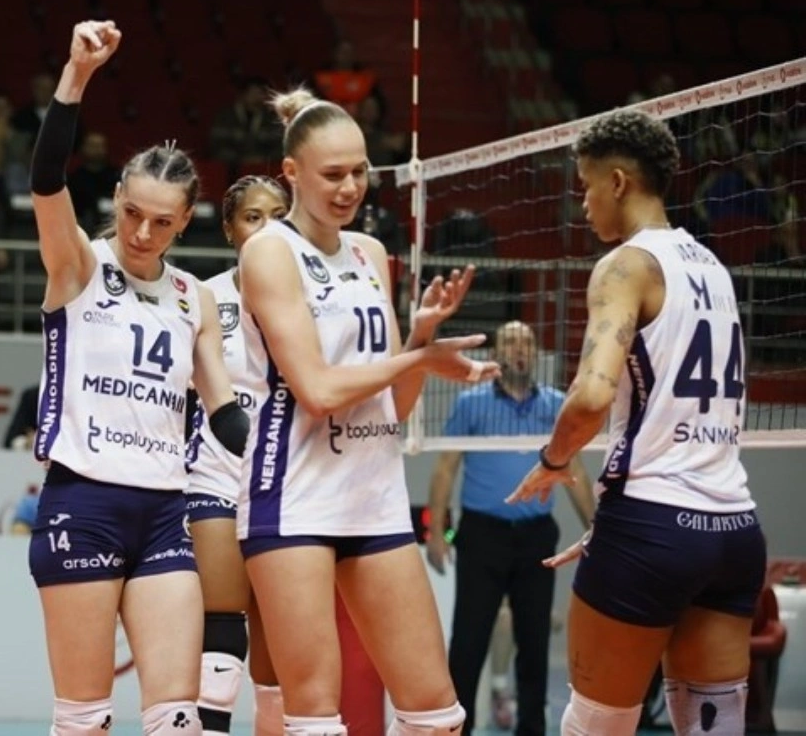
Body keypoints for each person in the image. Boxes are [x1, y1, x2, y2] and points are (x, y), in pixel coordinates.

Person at [237, 86, 501, 736]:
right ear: (291, 172)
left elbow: (392, 406)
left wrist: (420, 339)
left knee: (436, 713)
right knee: (314, 715)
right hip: (294, 495)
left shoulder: (370, 253)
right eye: (333, 174)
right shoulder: (269, 250)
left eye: (359, 171)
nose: (351, 187)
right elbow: (318, 390)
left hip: (373, 492)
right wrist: (419, 358)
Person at [508, 109, 766, 736]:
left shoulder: (626, 265)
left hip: (652, 527)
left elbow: (590, 396)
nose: (583, 203)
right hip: (734, 530)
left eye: (586, 186)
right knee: (713, 726)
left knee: (595, 724)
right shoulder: (713, 267)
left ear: (618, 182)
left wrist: (553, 461)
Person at [27, 21, 246, 736]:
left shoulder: (194, 297)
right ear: (116, 197)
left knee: (179, 718)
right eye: (131, 213)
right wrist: (77, 75)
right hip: (82, 500)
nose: (142, 233)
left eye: (161, 222)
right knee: (85, 719)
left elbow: (227, 414)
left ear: (184, 223)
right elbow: (46, 179)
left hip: (162, 513)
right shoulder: (78, 265)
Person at [425, 320, 596, 735]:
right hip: (481, 536)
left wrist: (599, 529)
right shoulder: (471, 403)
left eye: (527, 343)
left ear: (535, 353)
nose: (520, 349)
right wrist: (437, 534)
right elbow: (446, 467)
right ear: (496, 354)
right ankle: (456, 729)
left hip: (536, 537)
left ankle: (531, 729)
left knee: (534, 644)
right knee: (468, 643)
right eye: (511, 342)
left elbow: (574, 471)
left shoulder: (556, 405)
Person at [183, 175, 289, 736]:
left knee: (279, 655)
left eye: (278, 216)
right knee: (221, 635)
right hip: (217, 474)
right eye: (252, 217)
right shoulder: (203, 296)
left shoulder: (312, 299)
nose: (266, 227)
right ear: (229, 229)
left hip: (288, 482)